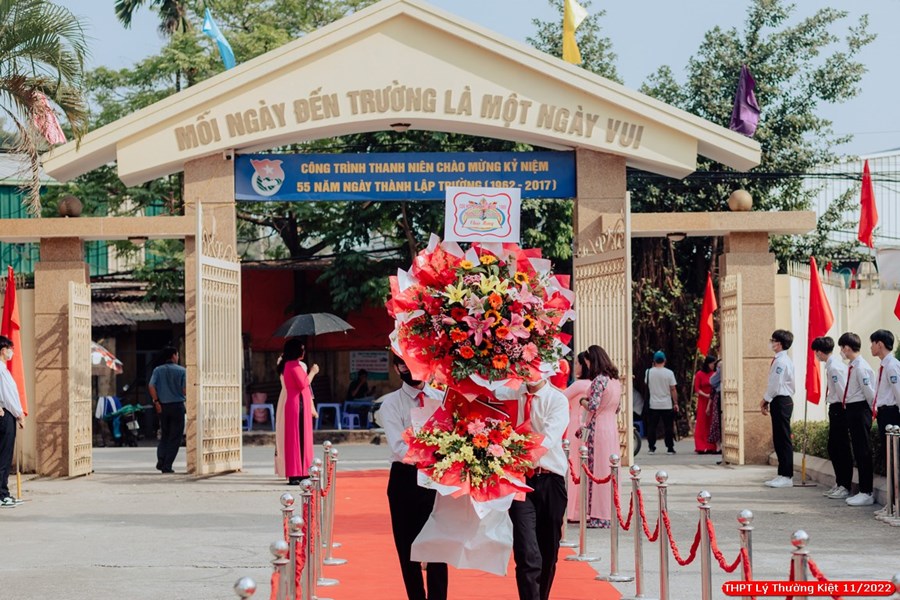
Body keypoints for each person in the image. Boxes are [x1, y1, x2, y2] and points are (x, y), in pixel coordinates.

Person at [380, 355, 448, 600]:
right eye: (403, 365)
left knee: (438, 546)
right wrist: (433, 450)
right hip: (405, 479)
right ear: (396, 368)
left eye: (414, 363)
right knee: (407, 548)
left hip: (437, 477)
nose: (409, 369)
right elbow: (399, 447)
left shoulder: (441, 398)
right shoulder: (391, 404)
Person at [508, 375, 569, 600]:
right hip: (521, 480)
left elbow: (548, 438)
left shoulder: (557, 400)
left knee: (548, 551)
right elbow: (488, 394)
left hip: (551, 480)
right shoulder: (513, 393)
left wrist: (521, 453)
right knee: (526, 551)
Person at [563, 346, 620, 529]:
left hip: (598, 430)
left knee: (596, 472)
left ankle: (597, 515)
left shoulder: (599, 381)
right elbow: (617, 408)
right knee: (609, 470)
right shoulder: (615, 381)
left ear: (592, 361)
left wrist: (582, 401)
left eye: (587, 361)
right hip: (611, 429)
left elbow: (593, 406)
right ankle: (609, 513)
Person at [834, 332, 875, 505]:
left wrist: (873, 411)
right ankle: (863, 490)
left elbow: (870, 393)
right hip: (852, 409)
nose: (841, 352)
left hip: (860, 409)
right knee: (858, 450)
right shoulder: (852, 366)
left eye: (841, 348)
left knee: (863, 451)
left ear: (847, 348)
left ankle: (867, 491)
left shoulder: (860, 367)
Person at [811, 336, 851, 499]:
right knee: (834, 447)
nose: (816, 355)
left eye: (816, 352)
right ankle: (840, 482)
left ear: (820, 352)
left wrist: (843, 411)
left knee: (840, 448)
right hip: (835, 409)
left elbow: (842, 392)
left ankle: (844, 485)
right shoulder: (832, 365)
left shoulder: (834, 367)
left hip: (839, 409)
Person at [275, 346, 318, 479]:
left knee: (294, 436)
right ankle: (296, 472)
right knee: (297, 437)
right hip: (297, 402)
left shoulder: (287, 364)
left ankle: (297, 470)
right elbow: (304, 384)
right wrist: (313, 372)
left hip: (294, 400)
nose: (304, 352)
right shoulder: (294, 365)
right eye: (302, 349)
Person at [760, 329, 795, 488]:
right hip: (778, 400)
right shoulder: (780, 360)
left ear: (779, 344)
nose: (771, 343)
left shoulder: (782, 362)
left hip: (781, 400)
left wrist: (765, 399)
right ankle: (782, 473)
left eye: (773, 340)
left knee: (783, 439)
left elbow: (775, 384)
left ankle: (787, 476)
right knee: (779, 439)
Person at [870, 329, 900, 509]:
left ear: (880, 344)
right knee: (889, 458)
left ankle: (896, 505)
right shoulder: (884, 365)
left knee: (894, 458)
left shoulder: (892, 366)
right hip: (883, 414)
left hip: (891, 414)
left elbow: (898, 392)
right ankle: (892, 504)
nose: (871, 347)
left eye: (872, 343)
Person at [149, 346, 186, 474]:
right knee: (175, 437)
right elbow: (185, 390)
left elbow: (151, 386)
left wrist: (156, 401)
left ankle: (161, 458)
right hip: (177, 406)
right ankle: (167, 465)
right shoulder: (182, 371)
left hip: (163, 406)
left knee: (165, 434)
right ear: (174, 356)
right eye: (177, 355)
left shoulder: (157, 370)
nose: (178, 357)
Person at [0, 336, 25, 507]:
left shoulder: (4, 369)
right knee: (4, 456)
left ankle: (4, 492)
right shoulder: (1, 370)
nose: (12, 352)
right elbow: (8, 397)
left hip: (8, 414)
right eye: (10, 348)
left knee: (5, 456)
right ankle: (2, 495)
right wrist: (19, 414)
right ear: (3, 350)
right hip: (5, 415)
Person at [645, 351, 678, 455]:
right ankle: (670, 448)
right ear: (665, 360)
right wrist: (675, 403)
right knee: (668, 427)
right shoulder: (669, 373)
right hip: (666, 404)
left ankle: (651, 447)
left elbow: (647, 383)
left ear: (654, 361)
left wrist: (652, 368)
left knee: (652, 427)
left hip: (653, 404)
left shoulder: (648, 372)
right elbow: (673, 389)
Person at [693, 355, 718, 454]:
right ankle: (701, 446)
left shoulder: (714, 374)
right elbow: (697, 389)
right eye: (712, 364)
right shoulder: (699, 374)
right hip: (703, 401)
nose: (713, 365)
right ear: (708, 364)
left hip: (712, 400)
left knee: (711, 422)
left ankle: (711, 445)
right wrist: (706, 395)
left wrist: (710, 396)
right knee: (702, 423)